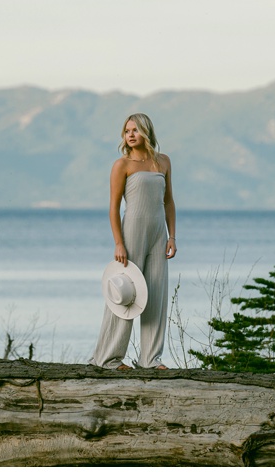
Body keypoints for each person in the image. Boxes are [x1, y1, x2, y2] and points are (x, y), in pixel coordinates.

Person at [89, 113, 177, 370]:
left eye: (135, 130)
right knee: (126, 293)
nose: (130, 135)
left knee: (156, 294)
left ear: (146, 132)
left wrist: (172, 236)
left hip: (158, 234)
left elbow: (168, 202)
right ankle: (109, 358)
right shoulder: (122, 165)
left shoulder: (163, 161)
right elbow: (113, 208)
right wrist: (119, 243)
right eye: (127, 131)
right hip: (132, 234)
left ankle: (150, 359)